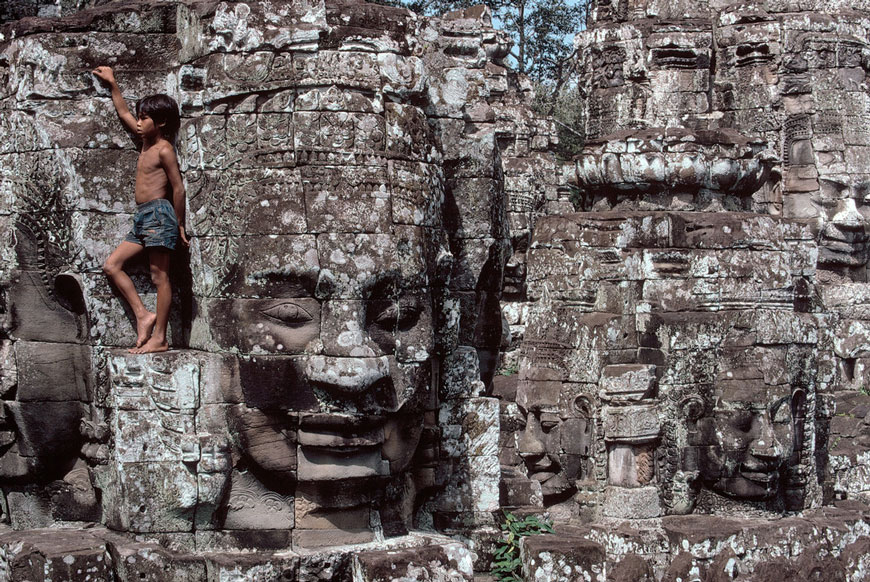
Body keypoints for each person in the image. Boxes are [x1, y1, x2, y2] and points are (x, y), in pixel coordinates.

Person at [92, 66, 188, 353]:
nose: (139, 122)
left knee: (160, 277)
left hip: (160, 214)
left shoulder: (163, 149)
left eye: (144, 118)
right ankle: (144, 316)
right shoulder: (144, 143)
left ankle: (160, 337)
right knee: (112, 265)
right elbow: (124, 115)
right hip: (144, 217)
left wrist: (179, 224)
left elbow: (178, 188)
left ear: (159, 122)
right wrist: (112, 84)